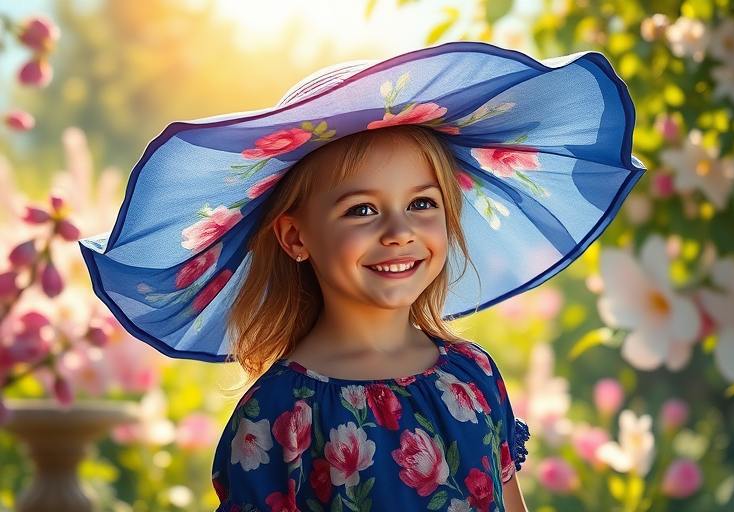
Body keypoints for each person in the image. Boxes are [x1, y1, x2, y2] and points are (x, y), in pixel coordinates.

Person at [80, 42, 645, 512]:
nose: (399, 231)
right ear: (296, 237)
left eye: (422, 203)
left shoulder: (471, 375)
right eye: (361, 210)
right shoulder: (278, 416)